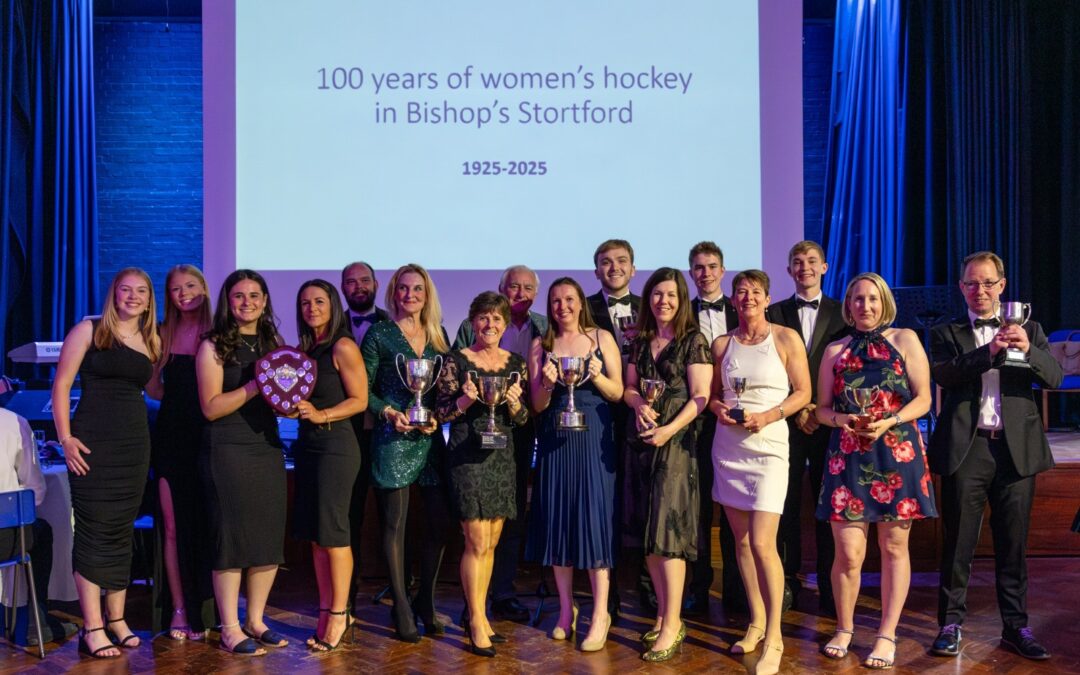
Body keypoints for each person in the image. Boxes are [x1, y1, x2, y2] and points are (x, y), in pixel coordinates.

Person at [927, 251, 1061, 661]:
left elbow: (1054, 378)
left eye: (987, 283)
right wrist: (988, 351)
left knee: (1013, 545)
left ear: (1002, 286)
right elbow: (944, 375)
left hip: (1016, 451)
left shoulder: (1030, 328)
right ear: (961, 287)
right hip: (968, 449)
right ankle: (950, 625)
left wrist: (1028, 349)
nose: (979, 290)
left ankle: (1016, 627)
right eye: (971, 283)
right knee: (958, 544)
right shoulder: (946, 331)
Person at [814, 272, 936, 670]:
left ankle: (886, 634)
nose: (864, 305)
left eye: (872, 298)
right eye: (857, 299)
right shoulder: (834, 349)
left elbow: (924, 399)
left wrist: (890, 421)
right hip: (847, 455)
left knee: (894, 547)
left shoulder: (906, 339)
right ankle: (844, 627)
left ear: (884, 302)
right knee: (848, 553)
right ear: (848, 306)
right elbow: (822, 409)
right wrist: (844, 421)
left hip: (897, 452)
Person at [52, 267, 161, 658]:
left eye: (141, 291)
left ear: (149, 300)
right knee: (93, 531)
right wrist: (65, 439)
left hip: (134, 446)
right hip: (93, 443)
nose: (133, 296)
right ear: (114, 294)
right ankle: (93, 626)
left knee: (120, 531)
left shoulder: (151, 339)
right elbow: (62, 384)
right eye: (125, 289)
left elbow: (155, 390)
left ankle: (117, 619)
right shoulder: (90, 330)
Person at [710, 270, 810, 675]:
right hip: (729, 447)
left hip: (769, 447)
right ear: (733, 300)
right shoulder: (722, 344)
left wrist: (768, 416)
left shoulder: (786, 338)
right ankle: (755, 622)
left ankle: (775, 636)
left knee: (765, 544)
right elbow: (713, 397)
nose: (748, 297)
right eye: (741, 291)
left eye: (755, 291)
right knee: (742, 542)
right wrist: (720, 409)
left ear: (767, 299)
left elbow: (803, 392)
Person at [526, 277, 623, 651]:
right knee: (558, 521)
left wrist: (596, 376)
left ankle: (600, 614)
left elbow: (617, 393)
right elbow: (537, 404)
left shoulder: (601, 338)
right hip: (555, 440)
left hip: (594, 438)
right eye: (555, 301)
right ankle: (567, 610)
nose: (562, 306)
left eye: (569, 299)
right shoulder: (541, 344)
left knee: (594, 520)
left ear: (581, 302)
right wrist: (549, 385)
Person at [196, 269, 287, 657]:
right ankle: (230, 627)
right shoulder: (212, 345)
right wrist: (255, 386)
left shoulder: (274, 343)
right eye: (238, 296)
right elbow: (211, 407)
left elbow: (282, 396)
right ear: (227, 302)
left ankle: (255, 620)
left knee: (267, 537)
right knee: (231, 538)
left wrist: (294, 403)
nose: (247, 302)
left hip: (266, 447)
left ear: (264, 301)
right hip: (227, 449)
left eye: (254, 295)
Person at [622, 268, 711, 661]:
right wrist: (638, 404)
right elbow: (629, 387)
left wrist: (669, 430)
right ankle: (662, 614)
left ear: (682, 300)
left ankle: (674, 623)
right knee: (649, 533)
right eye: (657, 294)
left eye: (671, 295)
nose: (664, 301)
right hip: (641, 444)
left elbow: (701, 397)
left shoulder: (694, 341)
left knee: (669, 533)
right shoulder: (641, 341)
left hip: (676, 445)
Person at [361, 263, 451, 643]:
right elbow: (362, 390)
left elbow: (444, 390)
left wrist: (437, 417)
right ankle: (400, 605)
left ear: (427, 295)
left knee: (440, 522)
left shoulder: (439, 335)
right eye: (403, 288)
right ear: (393, 293)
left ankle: (424, 601)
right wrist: (388, 412)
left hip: (430, 440)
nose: (410, 295)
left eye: (417, 289)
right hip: (391, 438)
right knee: (393, 526)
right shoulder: (378, 334)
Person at [437, 291, 529, 656]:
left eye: (497, 318)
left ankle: (482, 614)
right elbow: (441, 412)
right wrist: (465, 399)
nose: (490, 324)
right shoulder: (457, 360)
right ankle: (474, 619)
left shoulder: (516, 363)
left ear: (505, 325)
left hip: (502, 459)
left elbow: (523, 419)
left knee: (491, 543)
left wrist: (515, 403)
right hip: (467, 458)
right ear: (472, 322)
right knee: (475, 542)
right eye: (483, 317)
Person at [452, 265, 545, 623]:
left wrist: (519, 404)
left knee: (507, 519)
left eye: (527, 288)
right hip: (472, 437)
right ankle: (474, 606)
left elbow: (529, 403)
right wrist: (465, 399)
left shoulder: (542, 327)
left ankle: (502, 593)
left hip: (516, 433)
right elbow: (451, 388)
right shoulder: (466, 337)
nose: (520, 293)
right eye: (513, 286)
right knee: (476, 531)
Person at [766, 241, 849, 615]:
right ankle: (786, 586)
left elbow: (846, 367)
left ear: (825, 267)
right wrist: (797, 407)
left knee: (827, 506)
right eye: (797, 262)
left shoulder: (843, 312)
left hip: (829, 425)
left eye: (812, 261)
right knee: (783, 506)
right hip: (785, 421)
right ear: (789, 271)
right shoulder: (773, 313)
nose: (805, 268)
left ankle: (831, 589)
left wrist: (818, 408)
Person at [292, 279, 368, 652]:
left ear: (333, 305)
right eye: (305, 303)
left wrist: (322, 415)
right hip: (308, 447)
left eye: (319, 301)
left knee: (334, 535)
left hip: (336, 448)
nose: (312, 308)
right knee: (317, 536)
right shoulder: (304, 350)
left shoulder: (343, 346)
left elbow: (360, 399)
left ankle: (340, 613)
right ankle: (326, 609)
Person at [145, 264, 215, 641]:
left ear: (204, 288)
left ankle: (213, 610)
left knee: (209, 524)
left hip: (211, 437)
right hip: (172, 437)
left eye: (190, 286)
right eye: (176, 289)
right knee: (172, 527)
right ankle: (178, 609)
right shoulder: (161, 333)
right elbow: (155, 390)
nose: (184, 294)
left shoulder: (219, 331)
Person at [584, 239, 645, 614]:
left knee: (643, 500)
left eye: (622, 261)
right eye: (606, 262)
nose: (614, 267)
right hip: (600, 416)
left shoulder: (650, 306)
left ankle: (647, 588)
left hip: (642, 414)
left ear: (633, 269)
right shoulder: (582, 308)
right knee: (606, 503)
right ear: (596, 271)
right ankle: (609, 594)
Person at [685, 240, 742, 616]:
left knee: (738, 506)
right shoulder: (681, 313)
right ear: (691, 273)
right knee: (700, 509)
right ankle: (699, 587)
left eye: (711, 266)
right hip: (696, 422)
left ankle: (737, 589)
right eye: (698, 267)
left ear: (723, 270)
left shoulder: (743, 309)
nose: (705, 273)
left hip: (738, 421)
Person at [0, 407, 77, 646]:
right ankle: (36, 621)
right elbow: (36, 491)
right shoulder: (12, 422)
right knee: (41, 532)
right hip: (4, 541)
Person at [340, 261, 389, 616]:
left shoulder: (394, 323)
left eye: (364, 280)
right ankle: (347, 594)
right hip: (347, 433)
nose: (358, 287)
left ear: (376, 284)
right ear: (342, 288)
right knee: (349, 515)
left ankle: (399, 591)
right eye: (351, 282)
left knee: (393, 517)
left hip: (388, 431)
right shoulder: (331, 324)